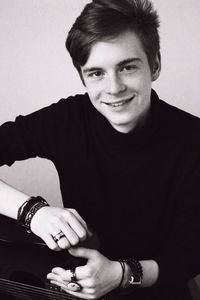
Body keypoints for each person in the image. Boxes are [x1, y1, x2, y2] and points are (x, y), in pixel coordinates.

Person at [0, 0, 200, 299]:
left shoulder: (193, 140)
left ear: (155, 65)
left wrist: (120, 275)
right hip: (78, 282)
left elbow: (188, 256)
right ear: (83, 77)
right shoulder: (69, 118)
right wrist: (33, 212)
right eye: (96, 73)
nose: (114, 87)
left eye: (128, 67)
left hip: (160, 289)